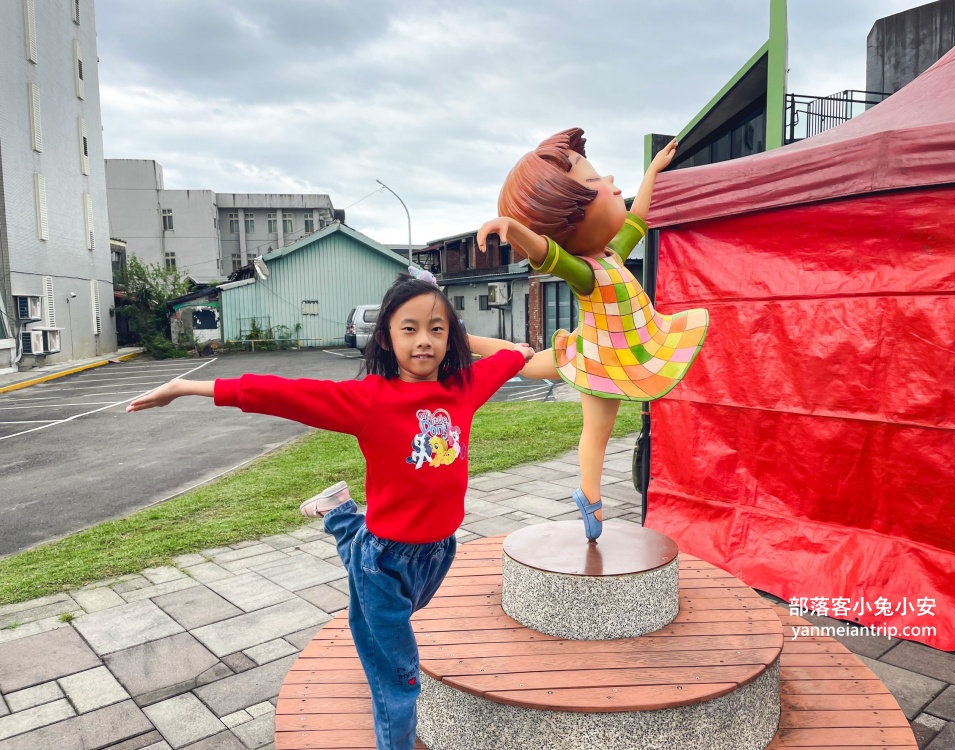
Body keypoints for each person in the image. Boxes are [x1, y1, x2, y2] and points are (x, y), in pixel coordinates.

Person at [127, 271, 533, 750]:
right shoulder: (370, 400)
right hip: (383, 562)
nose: (424, 340)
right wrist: (185, 387)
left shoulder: (463, 388)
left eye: (437, 328)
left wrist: (522, 352)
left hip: (439, 553)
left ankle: (340, 514)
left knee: (393, 624)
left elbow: (512, 356)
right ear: (386, 336)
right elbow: (281, 394)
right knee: (398, 682)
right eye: (410, 328)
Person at [469, 128, 708, 542]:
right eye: (594, 180)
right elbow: (547, 254)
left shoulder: (613, 253)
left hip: (605, 350)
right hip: (600, 363)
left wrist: (652, 170)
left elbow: (640, 216)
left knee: (522, 360)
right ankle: (589, 496)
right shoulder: (584, 274)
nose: (611, 182)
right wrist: (515, 227)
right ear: (568, 212)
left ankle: (464, 341)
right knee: (594, 429)